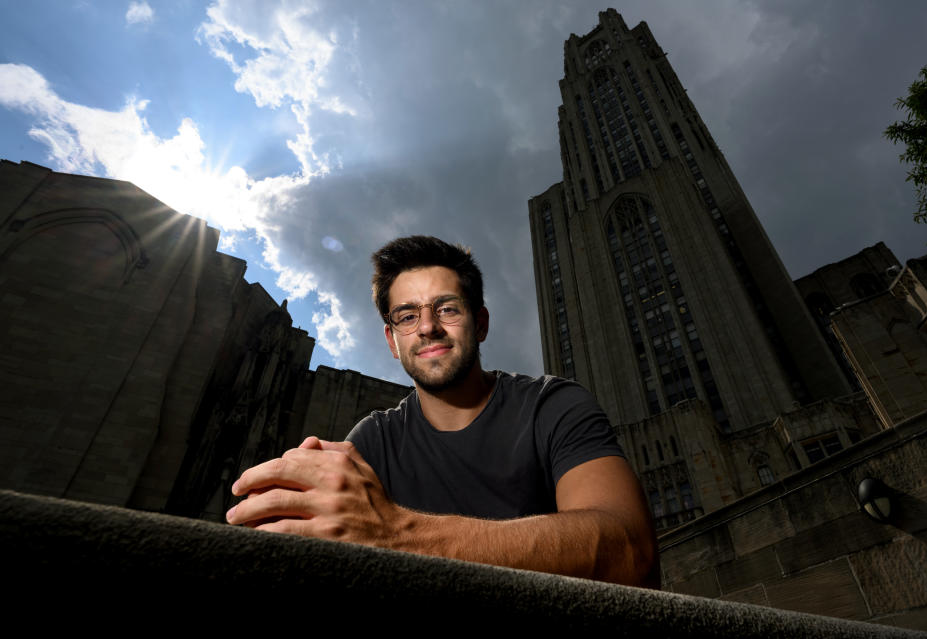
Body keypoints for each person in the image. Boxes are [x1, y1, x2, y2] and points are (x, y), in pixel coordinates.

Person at [226, 236, 659, 587]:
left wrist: (398, 534)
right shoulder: (373, 442)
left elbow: (629, 550)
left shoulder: (553, 405)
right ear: (392, 342)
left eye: (447, 309)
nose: (428, 326)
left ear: (482, 322)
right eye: (407, 316)